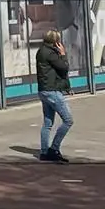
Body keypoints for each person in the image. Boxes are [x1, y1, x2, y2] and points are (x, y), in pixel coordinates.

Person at [36, 29, 74, 162]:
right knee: (68, 120)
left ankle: (44, 152)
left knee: (47, 123)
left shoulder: (41, 51)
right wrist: (63, 54)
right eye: (58, 40)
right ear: (55, 41)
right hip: (52, 91)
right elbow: (63, 68)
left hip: (44, 90)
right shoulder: (51, 54)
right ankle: (54, 148)